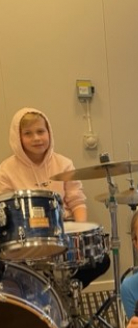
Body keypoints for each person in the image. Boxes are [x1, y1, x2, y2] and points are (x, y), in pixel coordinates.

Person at [0, 107, 110, 289]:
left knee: (101, 260)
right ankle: (43, 297)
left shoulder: (64, 164)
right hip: (27, 236)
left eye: (40, 131)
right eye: (28, 133)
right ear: (17, 137)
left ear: (49, 132)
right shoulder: (5, 170)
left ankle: (66, 292)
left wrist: (79, 233)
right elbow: (5, 211)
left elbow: (77, 201)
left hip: (63, 230)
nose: (36, 138)